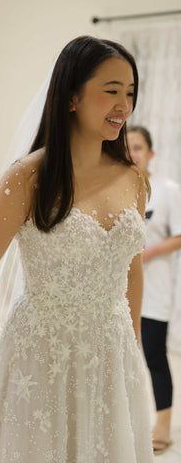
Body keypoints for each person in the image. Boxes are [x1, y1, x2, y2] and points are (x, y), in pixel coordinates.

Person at [0, 36, 154, 462]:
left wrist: (136, 350)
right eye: (111, 91)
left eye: (130, 93)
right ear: (72, 97)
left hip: (112, 349)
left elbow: (132, 269)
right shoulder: (26, 178)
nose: (123, 106)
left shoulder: (133, 179)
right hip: (42, 351)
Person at [127, 125, 181, 455]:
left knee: (154, 356)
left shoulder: (168, 189)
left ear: (150, 153)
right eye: (127, 147)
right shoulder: (117, 187)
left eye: (137, 147)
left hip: (156, 288)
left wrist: (149, 252)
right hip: (120, 289)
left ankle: (162, 426)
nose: (132, 152)